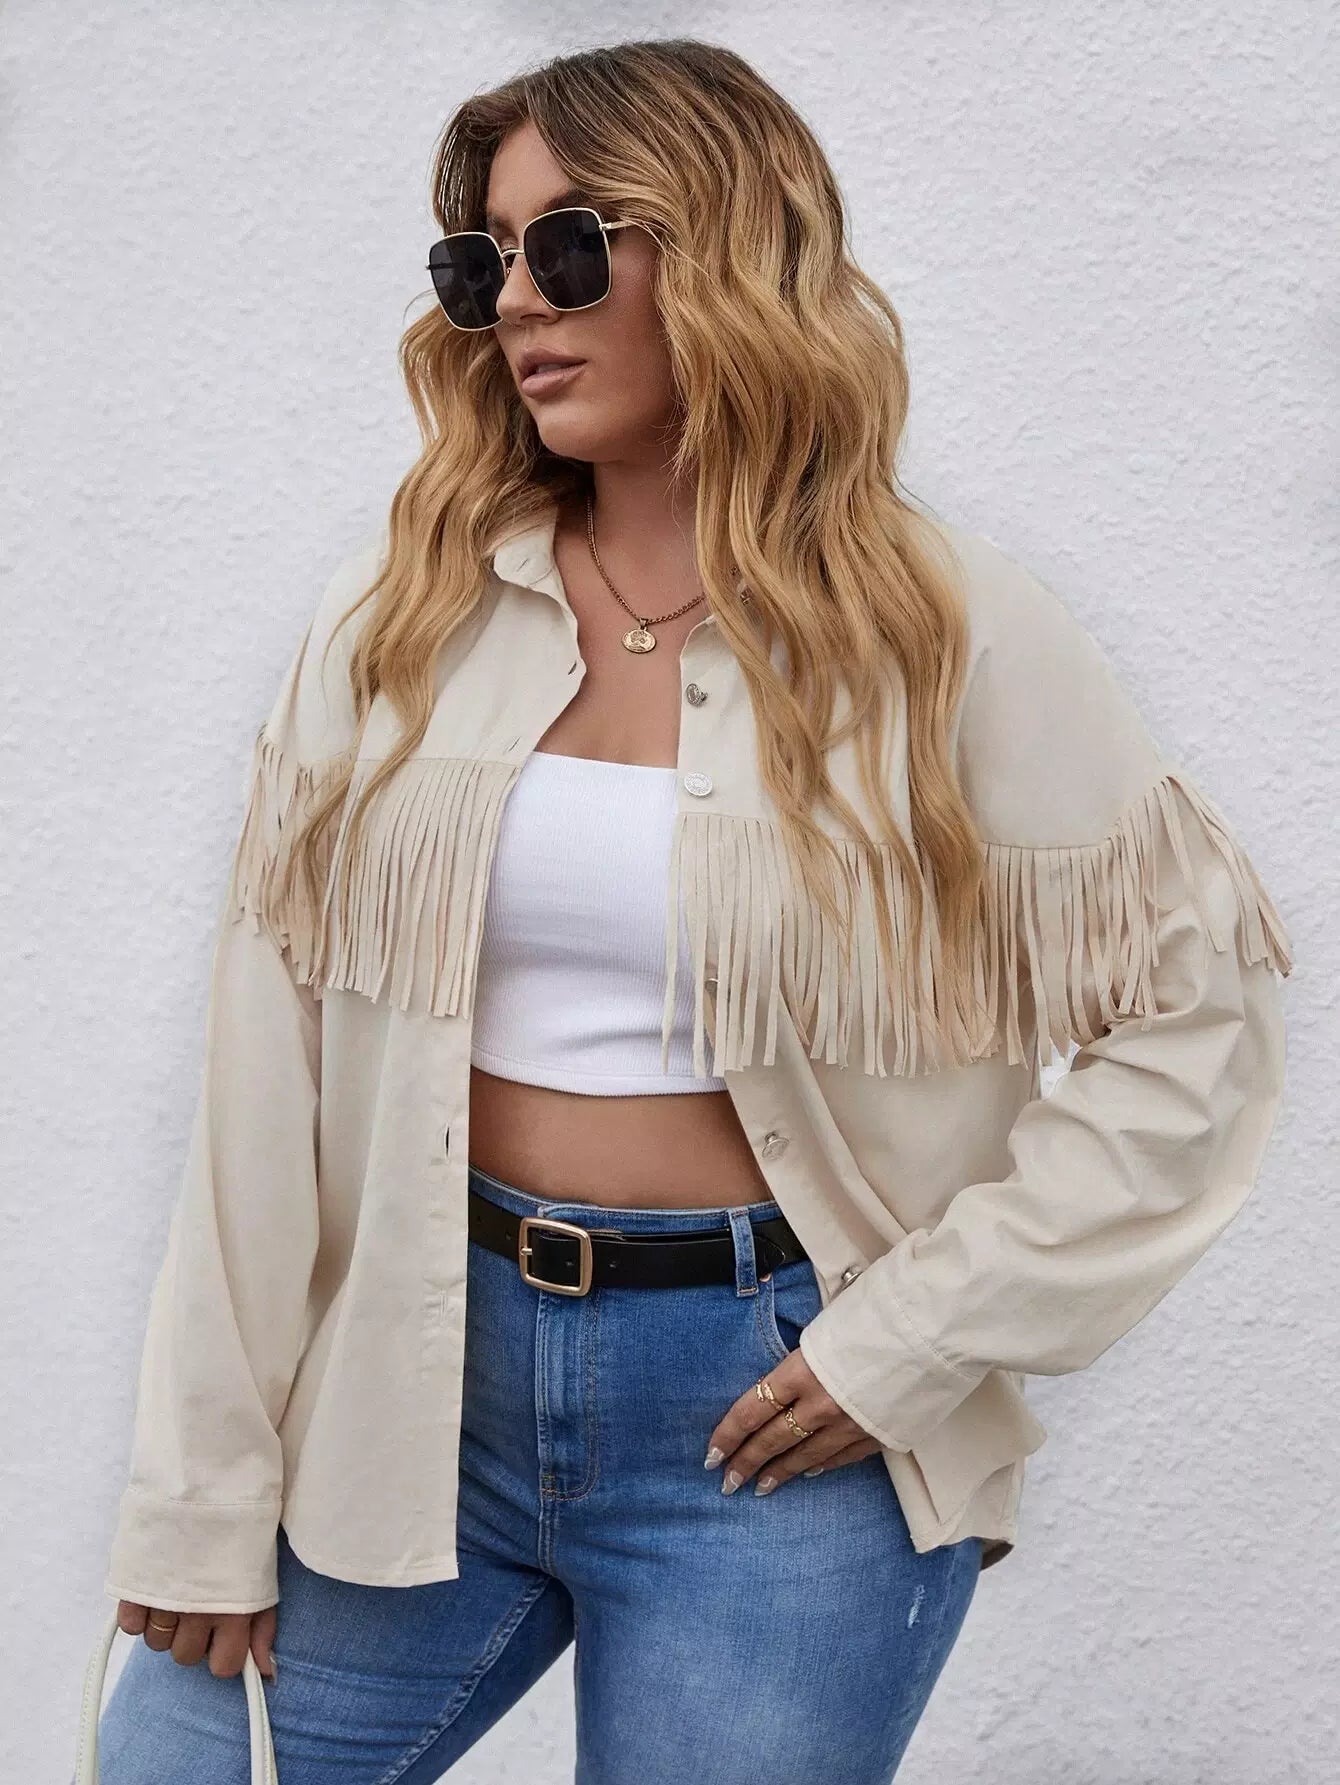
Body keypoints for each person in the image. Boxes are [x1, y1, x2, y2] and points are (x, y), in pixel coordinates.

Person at [88, 36, 1293, 1785]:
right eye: (484, 261)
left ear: (727, 250)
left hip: (773, 1420)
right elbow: (261, 1076)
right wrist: (201, 1491)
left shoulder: (944, 636)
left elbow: (1199, 1019)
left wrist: (913, 1339)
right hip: (415, 1392)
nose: (517, 300)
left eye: (571, 246)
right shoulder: (403, 618)